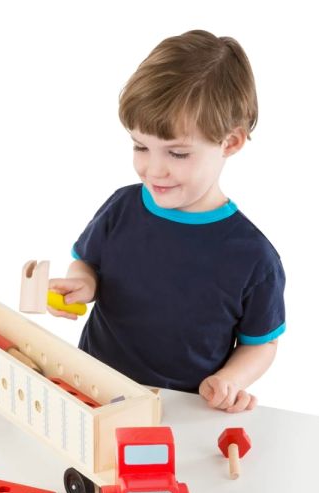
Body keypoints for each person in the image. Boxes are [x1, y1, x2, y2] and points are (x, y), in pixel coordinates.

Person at [49, 30, 286, 413]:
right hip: (93, 391)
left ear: (230, 142)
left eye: (176, 153)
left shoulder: (254, 258)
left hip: (179, 411)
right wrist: (83, 284)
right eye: (141, 146)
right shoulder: (122, 207)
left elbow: (261, 343)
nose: (154, 169)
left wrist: (230, 379)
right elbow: (87, 263)